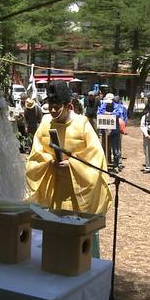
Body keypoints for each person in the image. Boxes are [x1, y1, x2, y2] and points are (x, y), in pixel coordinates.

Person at [26, 81, 111, 258]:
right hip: (55, 187)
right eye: (51, 107)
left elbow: (96, 157)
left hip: (78, 190)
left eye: (57, 107)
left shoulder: (82, 124)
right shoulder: (45, 122)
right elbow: (36, 152)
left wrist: (73, 163)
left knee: (80, 235)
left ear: (69, 106)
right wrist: (49, 160)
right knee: (55, 230)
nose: (53, 111)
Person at [98, 93, 123, 172]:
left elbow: (118, 113)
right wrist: (106, 113)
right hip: (105, 131)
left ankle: (116, 165)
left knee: (115, 150)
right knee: (105, 148)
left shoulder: (117, 106)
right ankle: (104, 164)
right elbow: (99, 112)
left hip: (114, 131)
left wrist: (109, 113)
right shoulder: (103, 105)